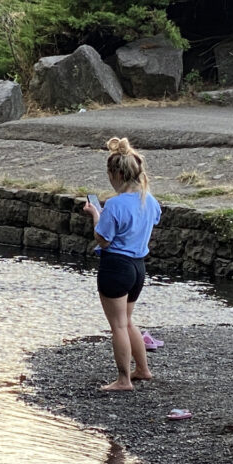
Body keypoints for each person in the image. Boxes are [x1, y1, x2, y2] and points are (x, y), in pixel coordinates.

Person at [83, 136, 162, 391]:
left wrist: (96, 215)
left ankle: (123, 379)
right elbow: (152, 221)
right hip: (138, 267)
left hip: (115, 266)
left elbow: (103, 240)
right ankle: (143, 369)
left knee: (117, 325)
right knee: (127, 321)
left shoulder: (115, 204)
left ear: (116, 173)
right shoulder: (149, 200)